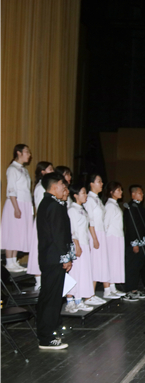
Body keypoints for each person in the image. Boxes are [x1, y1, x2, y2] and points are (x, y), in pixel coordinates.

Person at [35, 172, 74, 350]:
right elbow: (58, 235)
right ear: (55, 185)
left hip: (49, 257)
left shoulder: (47, 203)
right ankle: (46, 337)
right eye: (62, 185)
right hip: (54, 257)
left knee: (49, 296)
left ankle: (48, 331)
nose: (64, 188)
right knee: (51, 299)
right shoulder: (53, 205)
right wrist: (66, 257)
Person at [2, 144, 33, 273]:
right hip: (16, 203)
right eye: (27, 152)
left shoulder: (23, 170)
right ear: (19, 153)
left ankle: (14, 261)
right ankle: (9, 262)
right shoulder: (12, 169)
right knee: (12, 232)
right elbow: (11, 189)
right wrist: (16, 208)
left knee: (18, 233)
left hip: (24, 203)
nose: (29, 155)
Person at [65, 184, 96, 313]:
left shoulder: (82, 209)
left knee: (82, 273)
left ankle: (78, 300)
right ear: (75, 195)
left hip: (84, 244)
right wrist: (76, 245)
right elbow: (72, 230)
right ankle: (70, 301)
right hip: (77, 244)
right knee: (75, 272)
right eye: (83, 193)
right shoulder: (72, 209)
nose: (86, 195)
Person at [84, 174, 113, 301]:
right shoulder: (89, 199)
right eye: (99, 181)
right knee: (94, 263)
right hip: (94, 234)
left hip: (100, 233)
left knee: (100, 263)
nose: (101, 184)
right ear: (91, 184)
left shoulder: (97, 199)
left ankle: (95, 293)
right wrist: (95, 238)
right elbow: (90, 221)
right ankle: (89, 295)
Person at [26, 161, 55, 284]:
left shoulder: (47, 186)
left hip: (47, 222)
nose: (53, 171)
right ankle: (38, 281)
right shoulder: (40, 187)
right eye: (50, 169)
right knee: (38, 250)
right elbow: (40, 207)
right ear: (43, 172)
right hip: (42, 223)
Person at [122, 185, 145, 301]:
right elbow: (131, 226)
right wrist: (134, 243)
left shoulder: (139, 207)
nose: (142, 195)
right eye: (139, 193)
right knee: (132, 267)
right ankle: (129, 290)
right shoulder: (130, 208)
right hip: (133, 243)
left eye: (142, 193)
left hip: (142, 241)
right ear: (133, 194)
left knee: (138, 266)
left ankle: (134, 289)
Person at [103, 182, 126, 297]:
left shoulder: (114, 205)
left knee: (115, 262)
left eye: (121, 190)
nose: (121, 192)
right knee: (110, 262)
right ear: (111, 192)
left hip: (117, 237)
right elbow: (105, 224)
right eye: (118, 190)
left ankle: (113, 287)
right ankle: (107, 290)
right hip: (111, 237)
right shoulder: (110, 206)